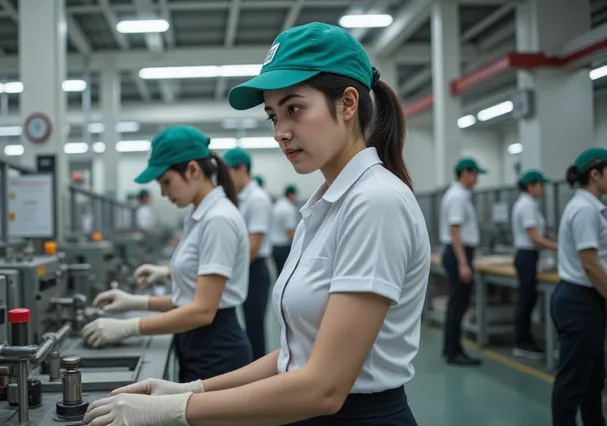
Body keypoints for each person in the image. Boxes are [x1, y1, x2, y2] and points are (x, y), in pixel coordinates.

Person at [83, 22, 430, 426]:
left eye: (294, 109)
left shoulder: (376, 202)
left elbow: (325, 387)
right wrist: (192, 389)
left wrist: (177, 411)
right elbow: (293, 355)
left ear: (348, 103)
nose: (281, 133)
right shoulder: (325, 207)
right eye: (272, 116)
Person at [82, 125, 252, 382]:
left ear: (193, 170)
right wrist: (135, 302)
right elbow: (190, 299)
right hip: (198, 342)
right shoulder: (200, 215)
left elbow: (202, 311)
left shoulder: (218, 219)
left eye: (166, 182)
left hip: (216, 351)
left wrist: (128, 327)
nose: (162, 193)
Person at [551, 148, 607, 426]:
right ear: (595, 174)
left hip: (586, 299)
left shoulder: (590, 206)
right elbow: (590, 263)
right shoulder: (586, 209)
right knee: (572, 383)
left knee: (593, 379)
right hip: (580, 302)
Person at [223, 147, 274, 361]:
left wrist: (228, 273)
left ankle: (259, 378)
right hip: (246, 269)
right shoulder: (242, 198)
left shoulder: (257, 199)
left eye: (228, 173)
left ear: (242, 169)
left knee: (254, 328)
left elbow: (254, 246)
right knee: (246, 325)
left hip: (254, 270)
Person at [439, 157, 486, 367]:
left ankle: (451, 348)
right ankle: (453, 352)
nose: (476, 178)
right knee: (458, 305)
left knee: (456, 304)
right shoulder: (457, 197)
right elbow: (455, 231)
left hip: (458, 252)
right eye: (475, 173)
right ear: (465, 173)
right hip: (459, 252)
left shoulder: (459, 195)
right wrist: (464, 263)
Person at [510, 170, 558, 360]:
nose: (543, 189)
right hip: (527, 256)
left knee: (527, 301)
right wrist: (558, 247)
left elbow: (538, 235)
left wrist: (553, 239)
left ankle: (524, 339)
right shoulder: (527, 205)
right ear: (531, 186)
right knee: (526, 302)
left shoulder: (528, 204)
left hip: (528, 256)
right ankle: (522, 342)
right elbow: (535, 239)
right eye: (541, 185)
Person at [269, 184, 299, 272]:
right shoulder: (289, 208)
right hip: (284, 246)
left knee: (278, 272)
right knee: (286, 272)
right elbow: (290, 232)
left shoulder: (277, 205)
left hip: (274, 245)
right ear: (290, 194)